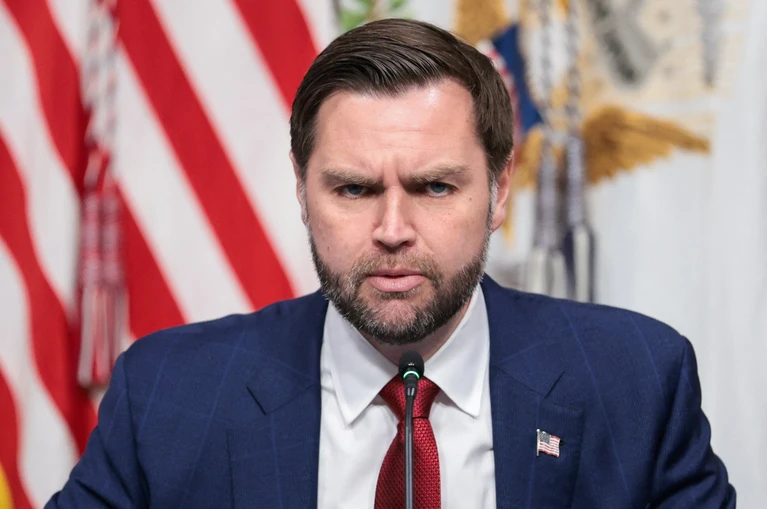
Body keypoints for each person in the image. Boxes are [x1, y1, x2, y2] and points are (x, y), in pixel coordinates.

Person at [47, 18, 734, 509]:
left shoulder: (636, 381)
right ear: (301, 191)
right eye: (354, 189)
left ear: (499, 190)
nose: (393, 231)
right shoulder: (169, 394)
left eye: (434, 187)